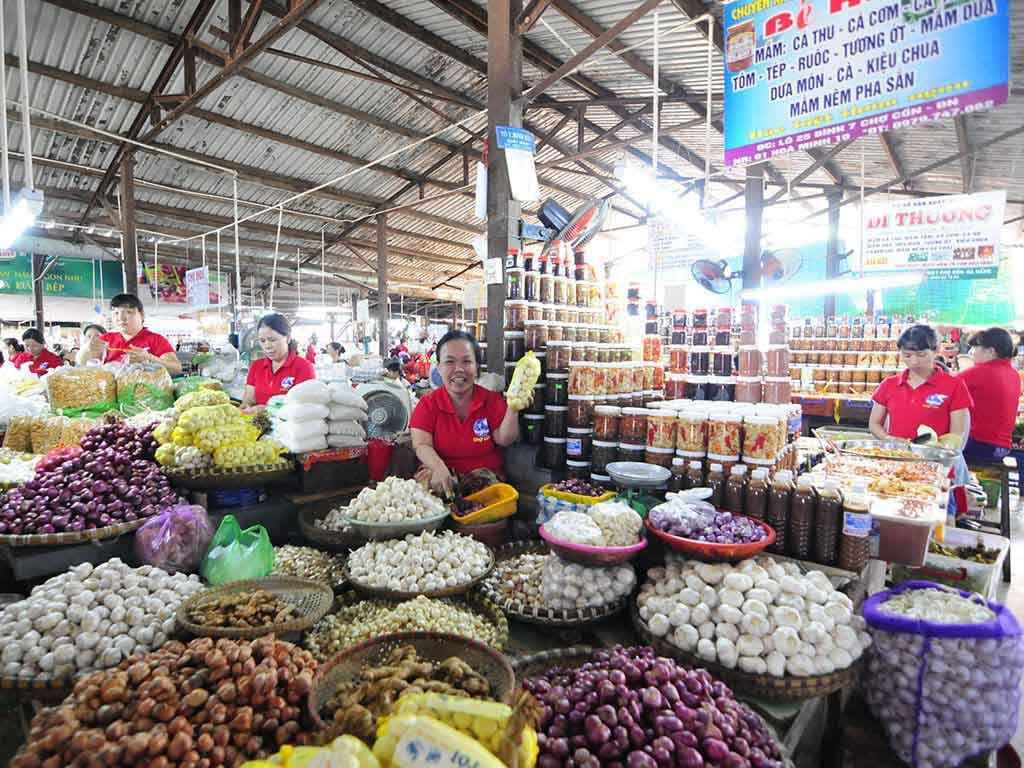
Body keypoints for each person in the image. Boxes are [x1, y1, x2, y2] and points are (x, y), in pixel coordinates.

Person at [409, 330, 524, 493]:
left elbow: (504, 439)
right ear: (439, 368)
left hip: (485, 479)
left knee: (491, 502)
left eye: (467, 361)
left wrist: (513, 408)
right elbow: (421, 444)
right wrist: (438, 467)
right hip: (439, 472)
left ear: (477, 367)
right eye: (449, 362)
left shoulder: (491, 400)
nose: (459, 369)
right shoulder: (428, 404)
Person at [869, 324, 972, 444]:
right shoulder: (889, 384)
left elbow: (956, 435)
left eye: (921, 355)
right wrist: (890, 439)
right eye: (907, 355)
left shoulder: (955, 385)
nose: (914, 361)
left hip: (935, 458)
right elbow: (874, 424)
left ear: (936, 351)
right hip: (897, 456)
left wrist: (939, 449)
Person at [957, 327, 1022, 463]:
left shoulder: (978, 372)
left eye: (976, 348)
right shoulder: (1014, 374)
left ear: (991, 351)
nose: (972, 353)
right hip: (1003, 447)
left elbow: (945, 387)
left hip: (979, 444)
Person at [80, 294, 182, 375]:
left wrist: (150, 359)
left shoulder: (156, 340)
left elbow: (176, 369)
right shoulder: (105, 339)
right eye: (116, 313)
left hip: (145, 395)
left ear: (141, 315)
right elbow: (83, 364)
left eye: (128, 312)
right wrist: (87, 350)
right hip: (109, 394)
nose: (121, 318)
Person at [240, 313, 316, 410]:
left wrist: (267, 409)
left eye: (272, 340)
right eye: (262, 341)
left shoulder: (303, 367)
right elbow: (249, 399)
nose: (267, 346)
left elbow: (304, 408)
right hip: (257, 423)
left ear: (287, 338)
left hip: (288, 424)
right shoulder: (256, 366)